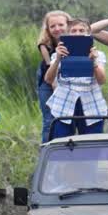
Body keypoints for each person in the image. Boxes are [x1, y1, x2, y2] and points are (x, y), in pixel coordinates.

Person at [44, 18, 108, 138]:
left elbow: (102, 80)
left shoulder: (98, 55)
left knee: (91, 144)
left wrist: (93, 61)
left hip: (92, 104)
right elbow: (48, 79)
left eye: (81, 30)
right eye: (73, 31)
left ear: (88, 34)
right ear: (68, 34)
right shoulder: (58, 55)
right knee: (62, 144)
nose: (78, 33)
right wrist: (58, 59)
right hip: (64, 104)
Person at [36, 10, 73, 142]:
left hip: (71, 78)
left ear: (68, 25)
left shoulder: (76, 39)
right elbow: (50, 74)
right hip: (49, 77)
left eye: (61, 25)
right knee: (50, 119)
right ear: (48, 28)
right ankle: (47, 153)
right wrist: (57, 93)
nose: (57, 29)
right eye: (52, 26)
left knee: (71, 118)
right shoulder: (45, 45)